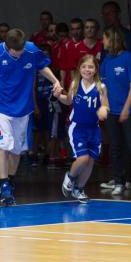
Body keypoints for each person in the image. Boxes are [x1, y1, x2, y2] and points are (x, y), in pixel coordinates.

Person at [0, 28, 62, 206]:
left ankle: (10, 182)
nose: (19, 53)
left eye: (21, 49)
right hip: (0, 106)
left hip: (23, 107)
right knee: (3, 145)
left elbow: (42, 66)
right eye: (15, 50)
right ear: (7, 46)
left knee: (16, 150)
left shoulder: (31, 49)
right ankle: (4, 185)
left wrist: (55, 81)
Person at [54, 55, 109, 203]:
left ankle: (78, 188)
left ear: (96, 69)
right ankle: (70, 177)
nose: (87, 69)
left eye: (90, 67)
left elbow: (105, 105)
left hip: (94, 129)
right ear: (79, 68)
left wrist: (104, 110)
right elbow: (68, 101)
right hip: (77, 128)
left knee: (90, 161)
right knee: (83, 158)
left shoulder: (101, 87)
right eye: (84, 66)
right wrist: (59, 96)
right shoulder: (75, 84)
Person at [100, 27, 131, 195]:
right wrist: (105, 105)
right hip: (112, 111)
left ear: (112, 39)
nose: (102, 42)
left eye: (104, 38)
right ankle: (119, 182)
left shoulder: (128, 57)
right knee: (115, 147)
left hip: (129, 110)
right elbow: (103, 85)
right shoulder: (106, 60)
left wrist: (126, 109)